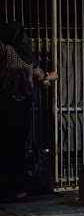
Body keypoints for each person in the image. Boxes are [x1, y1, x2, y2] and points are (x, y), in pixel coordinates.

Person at [0, 23, 57, 201]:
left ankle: (8, 188)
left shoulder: (6, 51)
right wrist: (51, 76)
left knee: (7, 147)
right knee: (17, 147)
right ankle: (16, 189)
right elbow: (41, 78)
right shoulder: (22, 56)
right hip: (19, 105)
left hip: (6, 104)